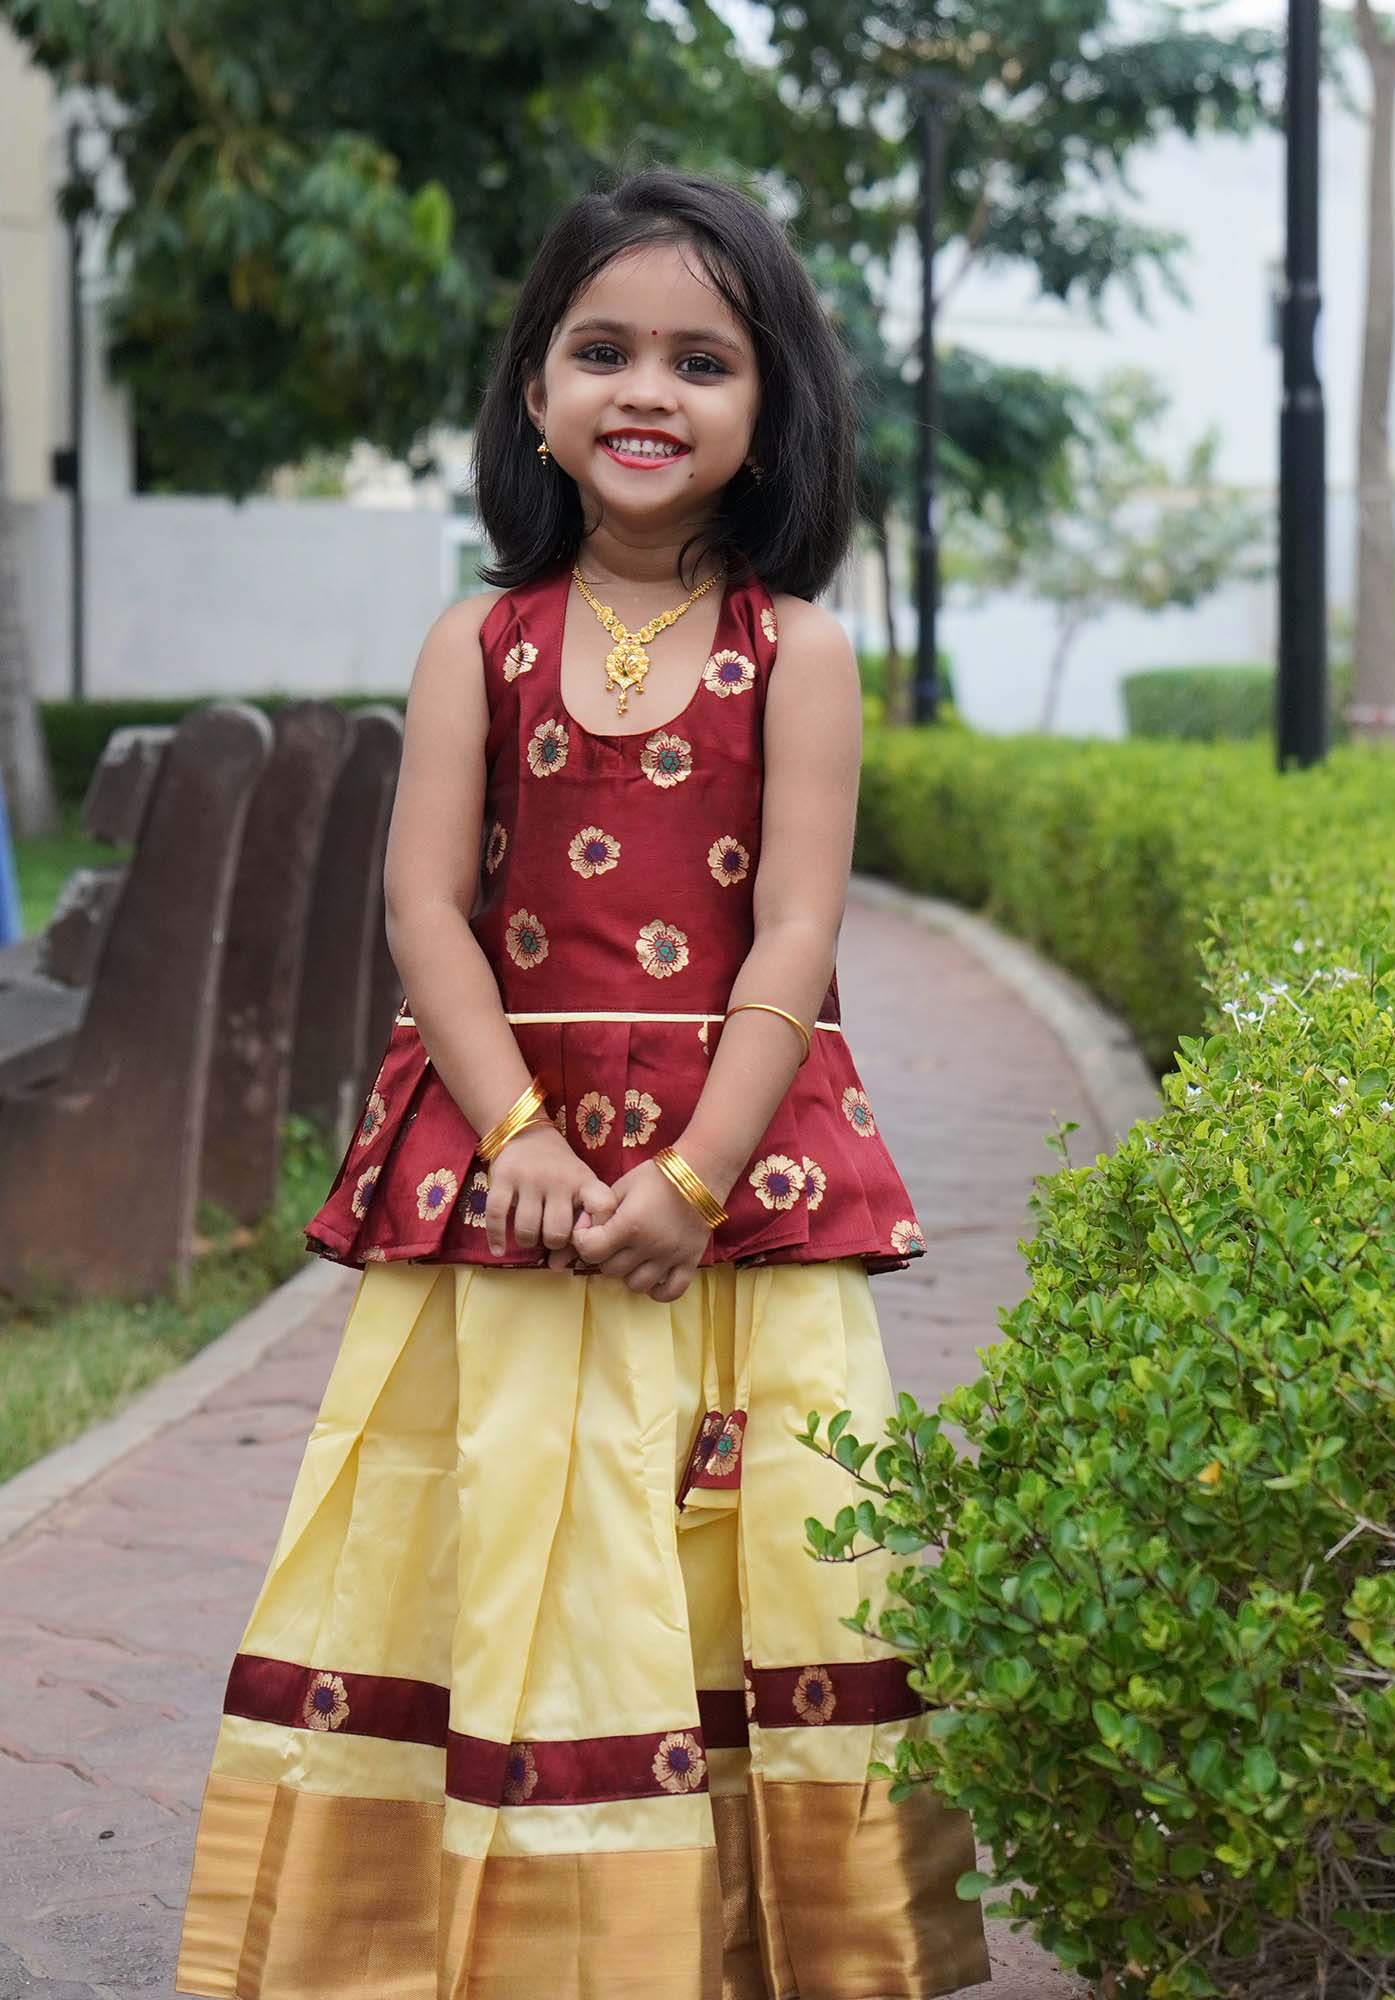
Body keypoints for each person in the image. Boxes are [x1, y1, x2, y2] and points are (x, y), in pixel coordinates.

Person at [175, 167, 991, 2000]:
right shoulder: (478, 643)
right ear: (533, 394)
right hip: (511, 1182)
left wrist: (692, 1184)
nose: (648, 390)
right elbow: (424, 910)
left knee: (740, 1558)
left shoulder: (805, 654)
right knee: (506, 1541)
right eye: (601, 348)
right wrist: (518, 1137)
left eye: (701, 359)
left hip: (731, 1186)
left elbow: (793, 935)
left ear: (771, 405)